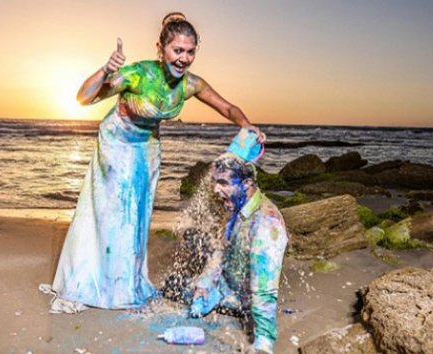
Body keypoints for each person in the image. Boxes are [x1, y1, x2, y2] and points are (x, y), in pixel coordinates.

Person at [40, 12, 266, 312]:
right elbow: (84, 98)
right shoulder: (137, 74)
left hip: (147, 148)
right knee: (113, 213)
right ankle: (97, 283)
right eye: (177, 50)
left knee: (136, 215)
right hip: (116, 142)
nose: (183, 58)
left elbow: (227, 107)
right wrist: (105, 70)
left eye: (190, 51)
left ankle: (127, 281)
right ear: (160, 49)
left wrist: (247, 124)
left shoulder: (190, 85)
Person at [189, 153, 288, 354]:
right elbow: (222, 252)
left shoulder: (266, 224)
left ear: (247, 183)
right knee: (177, 285)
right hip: (224, 287)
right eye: (215, 182)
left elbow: (264, 291)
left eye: (223, 182)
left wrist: (263, 344)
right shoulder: (239, 209)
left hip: (241, 299)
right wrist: (205, 283)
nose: (216, 189)